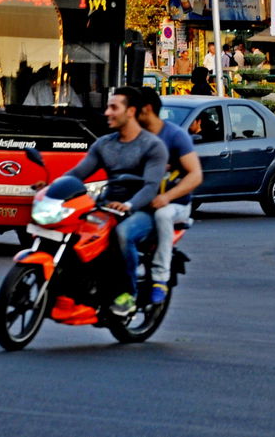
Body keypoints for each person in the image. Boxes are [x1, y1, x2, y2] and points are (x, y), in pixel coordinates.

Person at [61, 87, 168, 317]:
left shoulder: (152, 146)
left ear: (130, 112)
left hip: (143, 211)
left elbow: (150, 187)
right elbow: (78, 173)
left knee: (123, 234)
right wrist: (52, 188)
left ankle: (127, 294)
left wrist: (129, 205)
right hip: (108, 206)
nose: (107, 112)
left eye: (113, 107)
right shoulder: (104, 144)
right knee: (72, 232)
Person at [137, 88, 202, 305]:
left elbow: (195, 175)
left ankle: (159, 279)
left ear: (146, 110)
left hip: (175, 205)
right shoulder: (134, 135)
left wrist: (167, 197)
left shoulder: (175, 136)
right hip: (141, 202)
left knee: (162, 215)